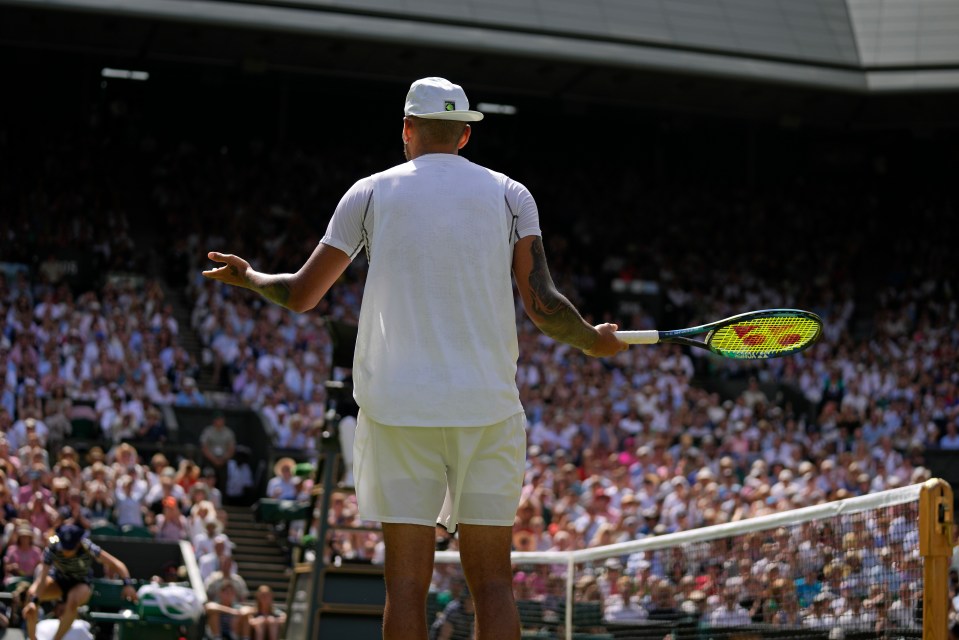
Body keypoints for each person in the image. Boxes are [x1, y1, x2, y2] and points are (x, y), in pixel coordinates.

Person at [202, 76, 626, 640]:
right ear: (465, 136)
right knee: (495, 585)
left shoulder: (370, 192)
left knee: (405, 587)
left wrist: (250, 276)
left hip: (398, 410)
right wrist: (596, 340)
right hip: (488, 409)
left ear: (406, 129)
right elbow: (544, 307)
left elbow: (302, 294)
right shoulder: (511, 194)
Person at [23, 523, 138, 640]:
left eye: (70, 547)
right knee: (31, 594)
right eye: (64, 546)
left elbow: (117, 564)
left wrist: (128, 584)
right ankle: (32, 638)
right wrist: (34, 601)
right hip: (58, 581)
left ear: (77, 543)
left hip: (81, 583)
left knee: (73, 601)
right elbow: (42, 578)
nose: (66, 552)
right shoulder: (53, 544)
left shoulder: (87, 545)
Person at [200, 411, 236, 492]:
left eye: (222, 419)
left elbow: (231, 448)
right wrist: (214, 460)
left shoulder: (228, 432)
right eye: (218, 419)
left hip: (223, 462)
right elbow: (204, 447)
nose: (220, 421)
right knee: (208, 481)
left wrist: (223, 459)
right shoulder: (208, 431)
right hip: (210, 461)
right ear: (214, 421)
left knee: (223, 483)